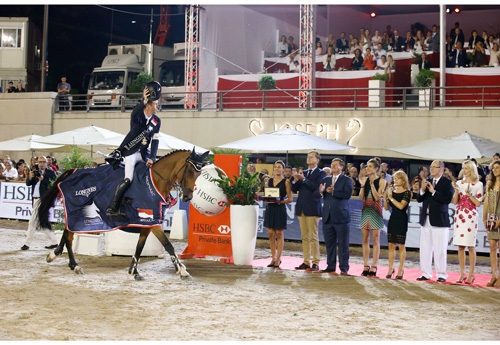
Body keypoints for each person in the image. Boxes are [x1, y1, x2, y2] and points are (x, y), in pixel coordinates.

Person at [105, 82, 162, 216]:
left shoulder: (157, 121)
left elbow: (155, 141)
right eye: (155, 104)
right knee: (128, 178)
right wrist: (144, 100)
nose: (157, 106)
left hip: (144, 153)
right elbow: (136, 111)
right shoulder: (138, 116)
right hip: (131, 152)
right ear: (148, 105)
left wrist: (152, 158)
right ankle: (114, 207)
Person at [416, 160, 454, 282]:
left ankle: (441, 274)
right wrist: (422, 190)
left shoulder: (447, 183)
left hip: (439, 219)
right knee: (425, 248)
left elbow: (447, 199)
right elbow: (419, 199)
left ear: (441, 169)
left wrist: (433, 192)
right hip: (426, 218)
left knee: (440, 248)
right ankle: (426, 273)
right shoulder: (427, 182)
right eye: (431, 167)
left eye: (434, 167)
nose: (431, 169)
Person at [315, 158, 353, 274]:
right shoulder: (325, 179)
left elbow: (347, 194)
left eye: (336, 165)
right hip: (328, 216)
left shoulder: (347, 180)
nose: (333, 167)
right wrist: (321, 191)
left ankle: (344, 267)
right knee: (329, 244)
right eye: (332, 165)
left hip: (341, 216)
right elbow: (319, 194)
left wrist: (334, 191)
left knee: (343, 244)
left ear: (342, 167)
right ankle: (330, 266)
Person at [292, 150, 326, 271]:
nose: (309, 159)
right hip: (301, 207)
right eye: (308, 157)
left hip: (312, 207)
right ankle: (306, 261)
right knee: (304, 236)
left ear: (317, 160)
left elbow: (316, 188)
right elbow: (294, 189)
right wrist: (295, 180)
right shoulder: (304, 172)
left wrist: (304, 179)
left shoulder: (321, 173)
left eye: (311, 157)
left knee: (313, 236)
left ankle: (316, 261)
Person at [451, 160, 483, 284]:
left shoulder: (478, 184)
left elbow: (478, 203)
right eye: (463, 168)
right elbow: (454, 202)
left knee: (470, 246)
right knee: (460, 246)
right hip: (460, 215)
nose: (464, 170)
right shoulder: (459, 183)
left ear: (472, 169)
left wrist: (470, 195)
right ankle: (462, 273)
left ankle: (471, 274)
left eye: (467, 168)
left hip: (470, 216)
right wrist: (456, 191)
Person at [21, 156, 58, 250]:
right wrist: (30, 177)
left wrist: (43, 180)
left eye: (43, 162)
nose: (41, 164)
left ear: (47, 163)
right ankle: (54, 241)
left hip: (43, 200)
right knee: (41, 223)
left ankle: (27, 243)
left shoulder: (50, 173)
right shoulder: (35, 172)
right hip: (35, 199)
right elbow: (28, 184)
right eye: (40, 162)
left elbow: (54, 186)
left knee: (32, 221)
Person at [359, 157, 386, 277]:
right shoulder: (365, 181)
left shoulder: (381, 181)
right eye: (367, 166)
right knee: (365, 239)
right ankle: (365, 264)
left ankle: (374, 265)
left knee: (375, 239)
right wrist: (363, 185)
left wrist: (372, 185)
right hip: (366, 210)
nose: (367, 168)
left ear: (376, 169)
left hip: (375, 210)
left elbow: (377, 197)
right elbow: (361, 197)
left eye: (370, 166)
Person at [264, 160, 292, 268]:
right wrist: (266, 199)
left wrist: (280, 201)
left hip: (279, 208)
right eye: (275, 167)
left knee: (279, 233)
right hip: (270, 208)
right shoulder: (269, 181)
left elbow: (290, 199)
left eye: (279, 167)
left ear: (283, 169)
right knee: (270, 233)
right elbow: (267, 194)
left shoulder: (286, 182)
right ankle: (273, 257)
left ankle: (279, 258)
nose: (277, 169)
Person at [383, 170, 411, 279]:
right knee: (391, 245)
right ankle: (390, 268)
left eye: (398, 178)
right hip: (393, 218)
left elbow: (401, 206)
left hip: (402, 219)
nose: (395, 180)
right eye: (394, 178)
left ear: (403, 180)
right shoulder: (392, 191)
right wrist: (386, 197)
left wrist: (390, 197)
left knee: (401, 245)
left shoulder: (407, 192)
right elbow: (386, 207)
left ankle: (400, 269)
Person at [483, 160, 500, 287]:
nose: (495, 170)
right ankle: (494, 274)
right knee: (492, 247)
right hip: (491, 216)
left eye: (498, 167)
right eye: (493, 168)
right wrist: (484, 217)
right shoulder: (490, 183)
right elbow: (487, 202)